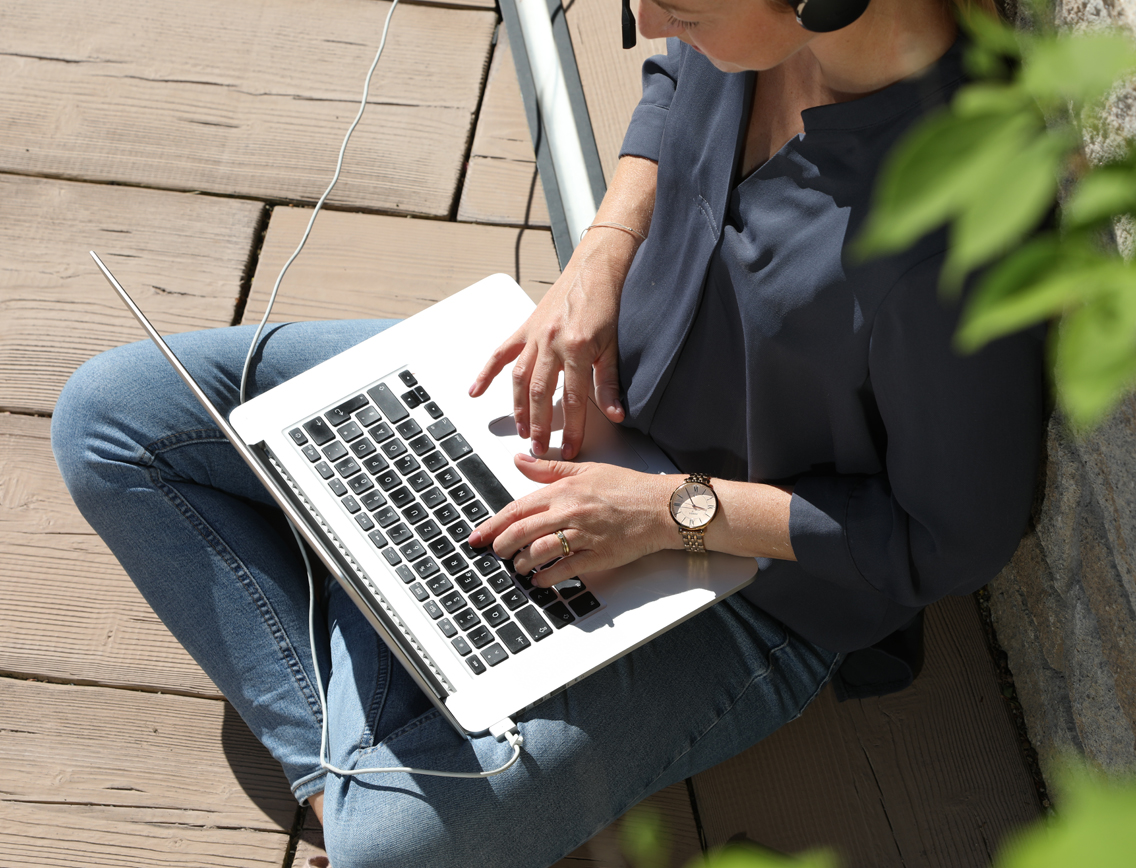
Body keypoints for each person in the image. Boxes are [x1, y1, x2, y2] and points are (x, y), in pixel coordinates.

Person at [51, 0, 1044, 865]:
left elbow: (953, 534)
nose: (649, 24)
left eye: (680, 7)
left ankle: (376, 628)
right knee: (113, 418)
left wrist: (672, 510)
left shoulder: (954, 229)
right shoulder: (758, 31)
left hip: (747, 589)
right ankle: (392, 646)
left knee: (382, 852)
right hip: (567, 406)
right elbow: (670, 83)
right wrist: (599, 260)